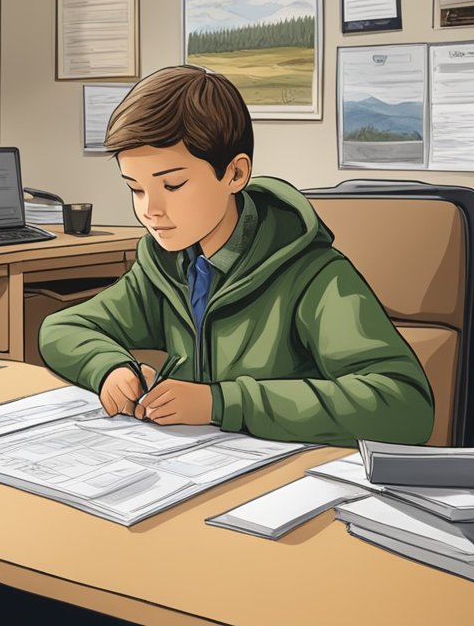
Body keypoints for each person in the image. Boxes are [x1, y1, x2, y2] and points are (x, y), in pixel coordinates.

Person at [39, 65, 434, 446]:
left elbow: (404, 405)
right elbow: (61, 329)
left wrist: (222, 403)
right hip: (201, 467)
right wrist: (110, 368)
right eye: (136, 189)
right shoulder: (168, 266)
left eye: (173, 185)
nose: (150, 210)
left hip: (293, 479)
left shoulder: (314, 274)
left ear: (234, 174)